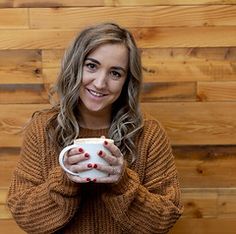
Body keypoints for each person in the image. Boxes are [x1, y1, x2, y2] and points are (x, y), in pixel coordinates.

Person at [7, 22, 183, 233]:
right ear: (75, 66)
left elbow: (165, 218)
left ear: (127, 81)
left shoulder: (149, 133)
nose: (100, 83)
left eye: (115, 73)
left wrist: (122, 182)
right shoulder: (43, 128)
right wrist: (66, 178)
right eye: (91, 66)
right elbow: (24, 215)